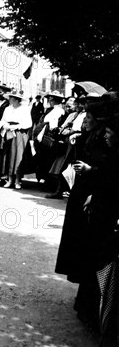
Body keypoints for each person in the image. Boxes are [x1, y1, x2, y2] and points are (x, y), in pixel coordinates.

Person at [55, 98, 116, 327]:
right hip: (85, 192)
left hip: (94, 196)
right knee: (80, 243)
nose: (85, 121)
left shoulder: (106, 140)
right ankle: (82, 296)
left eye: (89, 119)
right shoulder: (92, 136)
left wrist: (91, 170)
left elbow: (108, 170)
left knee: (88, 247)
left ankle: (88, 304)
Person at [0, 93, 32, 189]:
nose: (9, 99)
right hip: (7, 132)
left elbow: (28, 123)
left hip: (19, 133)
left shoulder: (24, 109)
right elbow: (3, 120)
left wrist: (16, 127)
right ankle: (9, 179)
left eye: (11, 98)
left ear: (16, 99)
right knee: (8, 156)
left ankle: (17, 180)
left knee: (18, 156)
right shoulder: (8, 108)